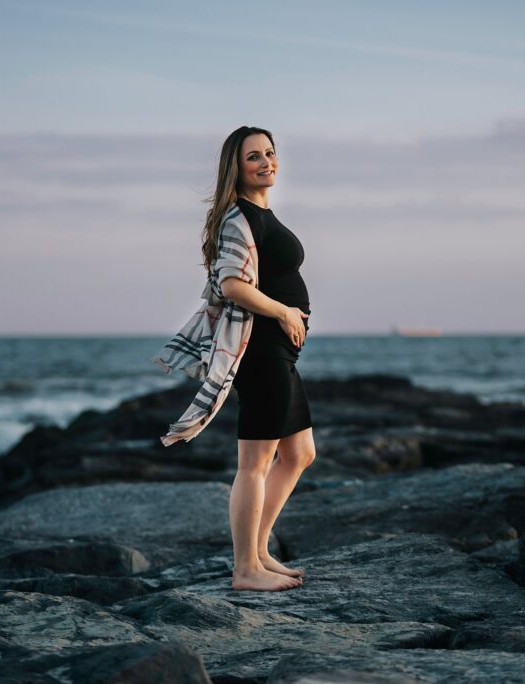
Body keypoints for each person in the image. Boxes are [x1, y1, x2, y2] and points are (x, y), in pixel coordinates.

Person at [214, 126, 316, 592]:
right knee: (255, 462)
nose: (266, 162)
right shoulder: (239, 219)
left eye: (270, 153)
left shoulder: (263, 214)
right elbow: (231, 284)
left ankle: (258, 551)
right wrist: (285, 312)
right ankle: (244, 570)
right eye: (253, 156)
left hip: (280, 351)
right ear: (236, 167)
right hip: (260, 349)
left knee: (298, 453)